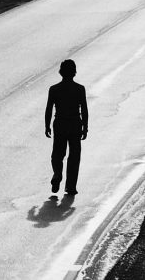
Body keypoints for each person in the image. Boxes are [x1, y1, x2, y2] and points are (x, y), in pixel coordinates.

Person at [44, 59, 88, 195]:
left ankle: (57, 174)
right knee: (74, 155)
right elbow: (84, 109)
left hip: (60, 123)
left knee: (57, 154)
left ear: (61, 72)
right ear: (74, 72)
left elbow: (49, 109)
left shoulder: (54, 89)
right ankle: (70, 186)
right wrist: (85, 127)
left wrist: (47, 126)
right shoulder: (79, 89)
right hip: (75, 124)